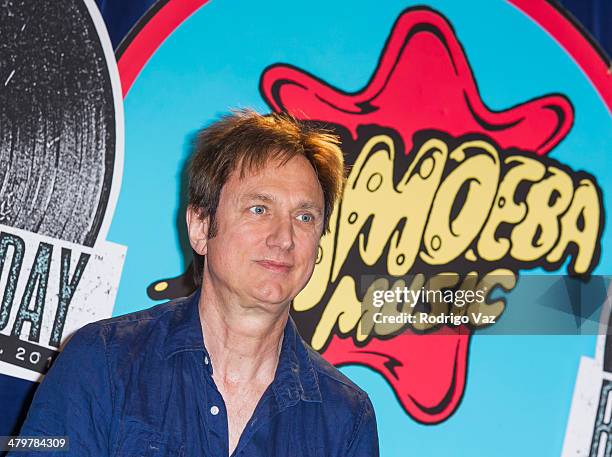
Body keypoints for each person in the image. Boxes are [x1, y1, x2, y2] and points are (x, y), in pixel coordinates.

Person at [13, 110, 379, 456]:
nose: (284, 238)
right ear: (201, 227)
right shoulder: (102, 361)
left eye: (304, 217)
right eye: (259, 209)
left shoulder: (346, 417)